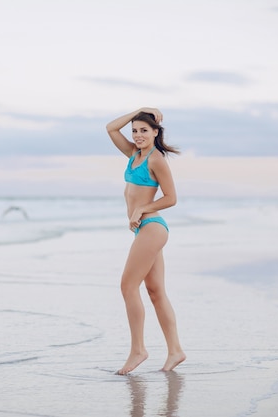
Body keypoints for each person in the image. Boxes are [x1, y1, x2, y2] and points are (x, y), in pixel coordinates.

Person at [106, 107, 186, 374]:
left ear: (155, 132)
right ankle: (175, 351)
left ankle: (138, 350)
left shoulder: (156, 160)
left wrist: (142, 209)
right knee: (155, 292)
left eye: (144, 130)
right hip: (145, 231)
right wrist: (138, 111)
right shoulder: (133, 155)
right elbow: (110, 128)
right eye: (135, 131)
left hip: (152, 227)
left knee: (128, 287)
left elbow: (171, 198)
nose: (138, 135)